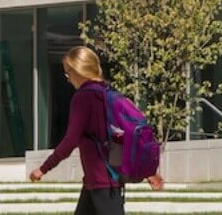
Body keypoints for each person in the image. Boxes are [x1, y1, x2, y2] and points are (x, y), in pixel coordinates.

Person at [30, 47, 164, 215]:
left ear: (79, 70)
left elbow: (70, 140)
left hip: (102, 182)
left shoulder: (84, 97)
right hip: (101, 180)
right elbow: (119, 135)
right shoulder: (107, 92)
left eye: (68, 73)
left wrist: (43, 168)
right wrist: (123, 171)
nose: (67, 78)